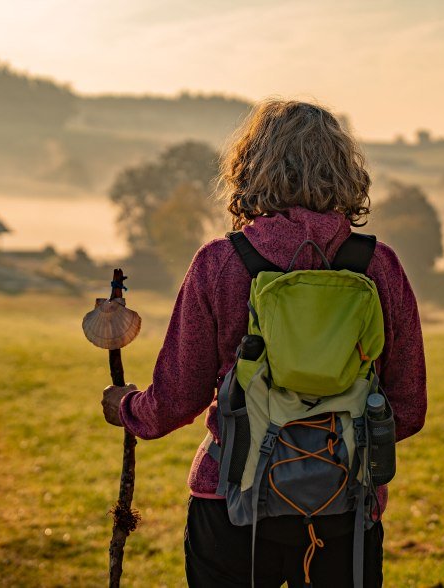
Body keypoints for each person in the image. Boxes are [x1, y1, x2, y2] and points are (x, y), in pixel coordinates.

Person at [101, 99, 427, 587]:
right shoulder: (378, 265)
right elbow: (409, 406)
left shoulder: (220, 263)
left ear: (251, 168)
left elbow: (177, 399)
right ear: (344, 168)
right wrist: (333, 449)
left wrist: (127, 407)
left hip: (232, 504)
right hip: (345, 511)